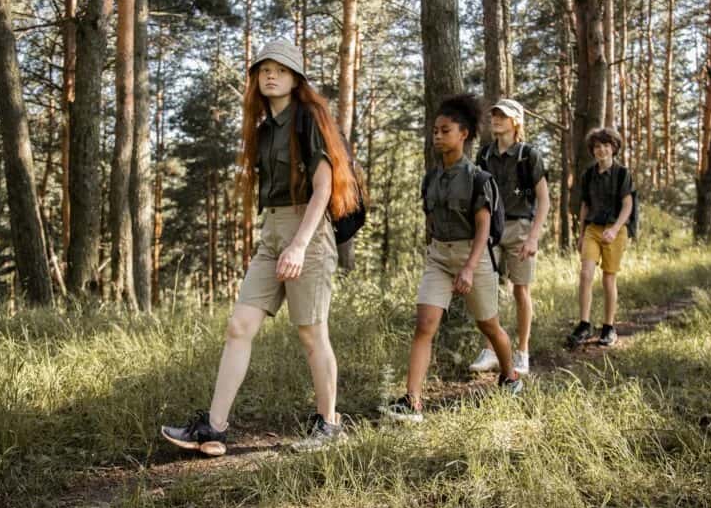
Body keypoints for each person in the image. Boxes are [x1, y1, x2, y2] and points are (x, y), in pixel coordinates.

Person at [161, 39, 362, 454]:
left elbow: (324, 188)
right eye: (264, 69)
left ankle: (328, 426)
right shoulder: (263, 128)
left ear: (295, 79)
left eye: (281, 69)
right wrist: (279, 243)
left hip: (307, 230)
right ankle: (213, 429)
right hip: (272, 233)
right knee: (239, 327)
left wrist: (299, 246)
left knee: (311, 333)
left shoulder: (310, 119)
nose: (271, 75)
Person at [382, 94, 522, 424]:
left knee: (488, 324)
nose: (437, 136)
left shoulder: (477, 178)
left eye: (445, 130)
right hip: (439, 257)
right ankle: (412, 401)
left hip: (472, 255)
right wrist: (434, 254)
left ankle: (510, 376)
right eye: (435, 130)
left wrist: (470, 268)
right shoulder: (430, 178)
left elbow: (483, 226)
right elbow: (430, 221)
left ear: (464, 134)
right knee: (424, 324)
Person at [470, 98, 549, 375]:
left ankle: (522, 352)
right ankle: (490, 350)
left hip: (521, 229)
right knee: (487, 288)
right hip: (491, 229)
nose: (495, 119)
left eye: (502, 116)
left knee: (520, 290)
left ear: (516, 122)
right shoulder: (484, 154)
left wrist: (533, 237)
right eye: (493, 115)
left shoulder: (529, 155)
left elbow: (544, 200)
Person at [566, 127, 634, 349]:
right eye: (597, 146)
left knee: (608, 278)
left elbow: (628, 205)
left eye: (606, 146)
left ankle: (608, 327)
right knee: (586, 273)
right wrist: (581, 233)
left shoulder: (622, 174)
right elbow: (585, 205)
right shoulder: (588, 175)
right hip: (593, 229)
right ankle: (584, 325)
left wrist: (614, 229)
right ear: (592, 150)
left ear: (613, 148)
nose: (601, 150)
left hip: (615, 230)